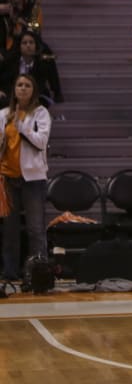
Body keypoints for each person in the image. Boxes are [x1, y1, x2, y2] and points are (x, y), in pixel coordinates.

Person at [0, 74, 50, 280]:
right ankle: (11, 274)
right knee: (10, 231)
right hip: (8, 178)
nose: (22, 88)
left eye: (27, 85)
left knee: (35, 229)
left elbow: (41, 142)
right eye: (19, 85)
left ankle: (39, 275)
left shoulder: (41, 113)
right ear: (14, 90)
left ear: (33, 90)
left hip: (33, 179)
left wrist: (23, 129)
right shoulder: (3, 114)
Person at [0, 30, 63, 106]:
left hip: (36, 96)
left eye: (31, 42)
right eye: (24, 43)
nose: (28, 45)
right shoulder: (10, 61)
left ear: (36, 45)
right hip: (12, 95)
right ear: (19, 46)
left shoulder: (43, 63)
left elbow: (44, 84)